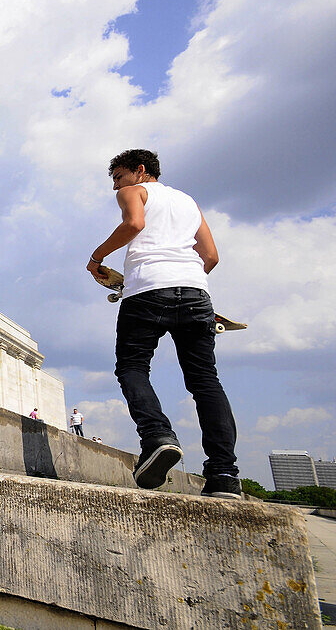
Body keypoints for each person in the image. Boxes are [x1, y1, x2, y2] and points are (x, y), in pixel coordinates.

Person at [87, 149, 240, 499]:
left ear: (140, 171)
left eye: (118, 177)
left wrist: (96, 258)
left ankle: (157, 436)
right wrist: (186, 285)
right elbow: (211, 256)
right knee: (205, 381)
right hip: (196, 293)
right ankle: (224, 474)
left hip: (146, 292)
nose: (115, 186)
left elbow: (134, 224)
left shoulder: (134, 192)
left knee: (132, 367)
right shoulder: (188, 202)